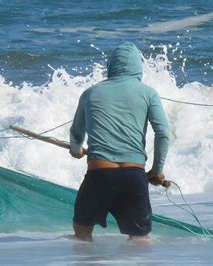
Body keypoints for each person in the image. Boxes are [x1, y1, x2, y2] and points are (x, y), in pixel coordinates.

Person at [69, 42, 170, 242]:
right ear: (138, 67)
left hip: (100, 174)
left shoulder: (90, 93)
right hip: (134, 176)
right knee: (139, 238)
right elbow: (164, 133)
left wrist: (75, 149)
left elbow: (76, 133)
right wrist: (157, 170)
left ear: (111, 66)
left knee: (82, 230)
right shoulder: (149, 93)